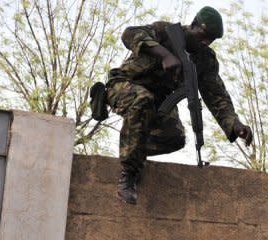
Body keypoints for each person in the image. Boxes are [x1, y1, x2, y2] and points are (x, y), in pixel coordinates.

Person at [104, 6, 253, 204]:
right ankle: (129, 175)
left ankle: (133, 146)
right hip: (124, 85)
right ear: (193, 25)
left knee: (174, 136)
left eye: (211, 39)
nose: (205, 42)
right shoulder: (165, 32)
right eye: (203, 35)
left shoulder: (204, 59)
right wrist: (163, 54)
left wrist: (235, 124)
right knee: (142, 99)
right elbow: (129, 34)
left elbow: (217, 95)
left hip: (159, 100)